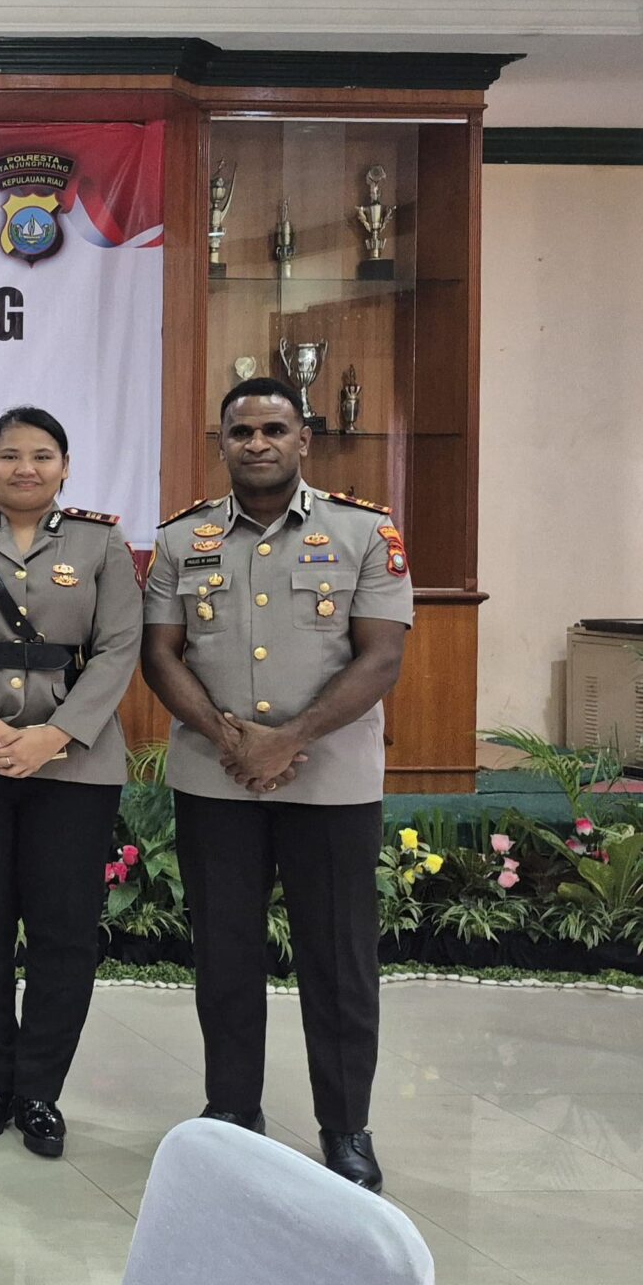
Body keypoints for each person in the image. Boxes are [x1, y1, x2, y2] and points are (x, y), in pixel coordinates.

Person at [141, 376, 412, 1190]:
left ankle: (346, 1127)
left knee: (339, 960)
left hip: (330, 782)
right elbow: (160, 654)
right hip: (216, 780)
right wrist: (232, 739)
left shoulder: (364, 531)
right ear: (222, 444)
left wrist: (288, 740)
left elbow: (382, 655)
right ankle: (232, 1113)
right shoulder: (181, 539)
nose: (257, 443)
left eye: (273, 429)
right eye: (241, 432)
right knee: (224, 955)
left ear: (304, 440)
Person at [0, 406, 142, 1158]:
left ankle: (40, 1089)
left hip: (74, 764)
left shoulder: (100, 543)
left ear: (65, 467)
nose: (26, 468)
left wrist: (52, 736)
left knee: (62, 931)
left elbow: (119, 647)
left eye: (42, 455)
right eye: (9, 455)